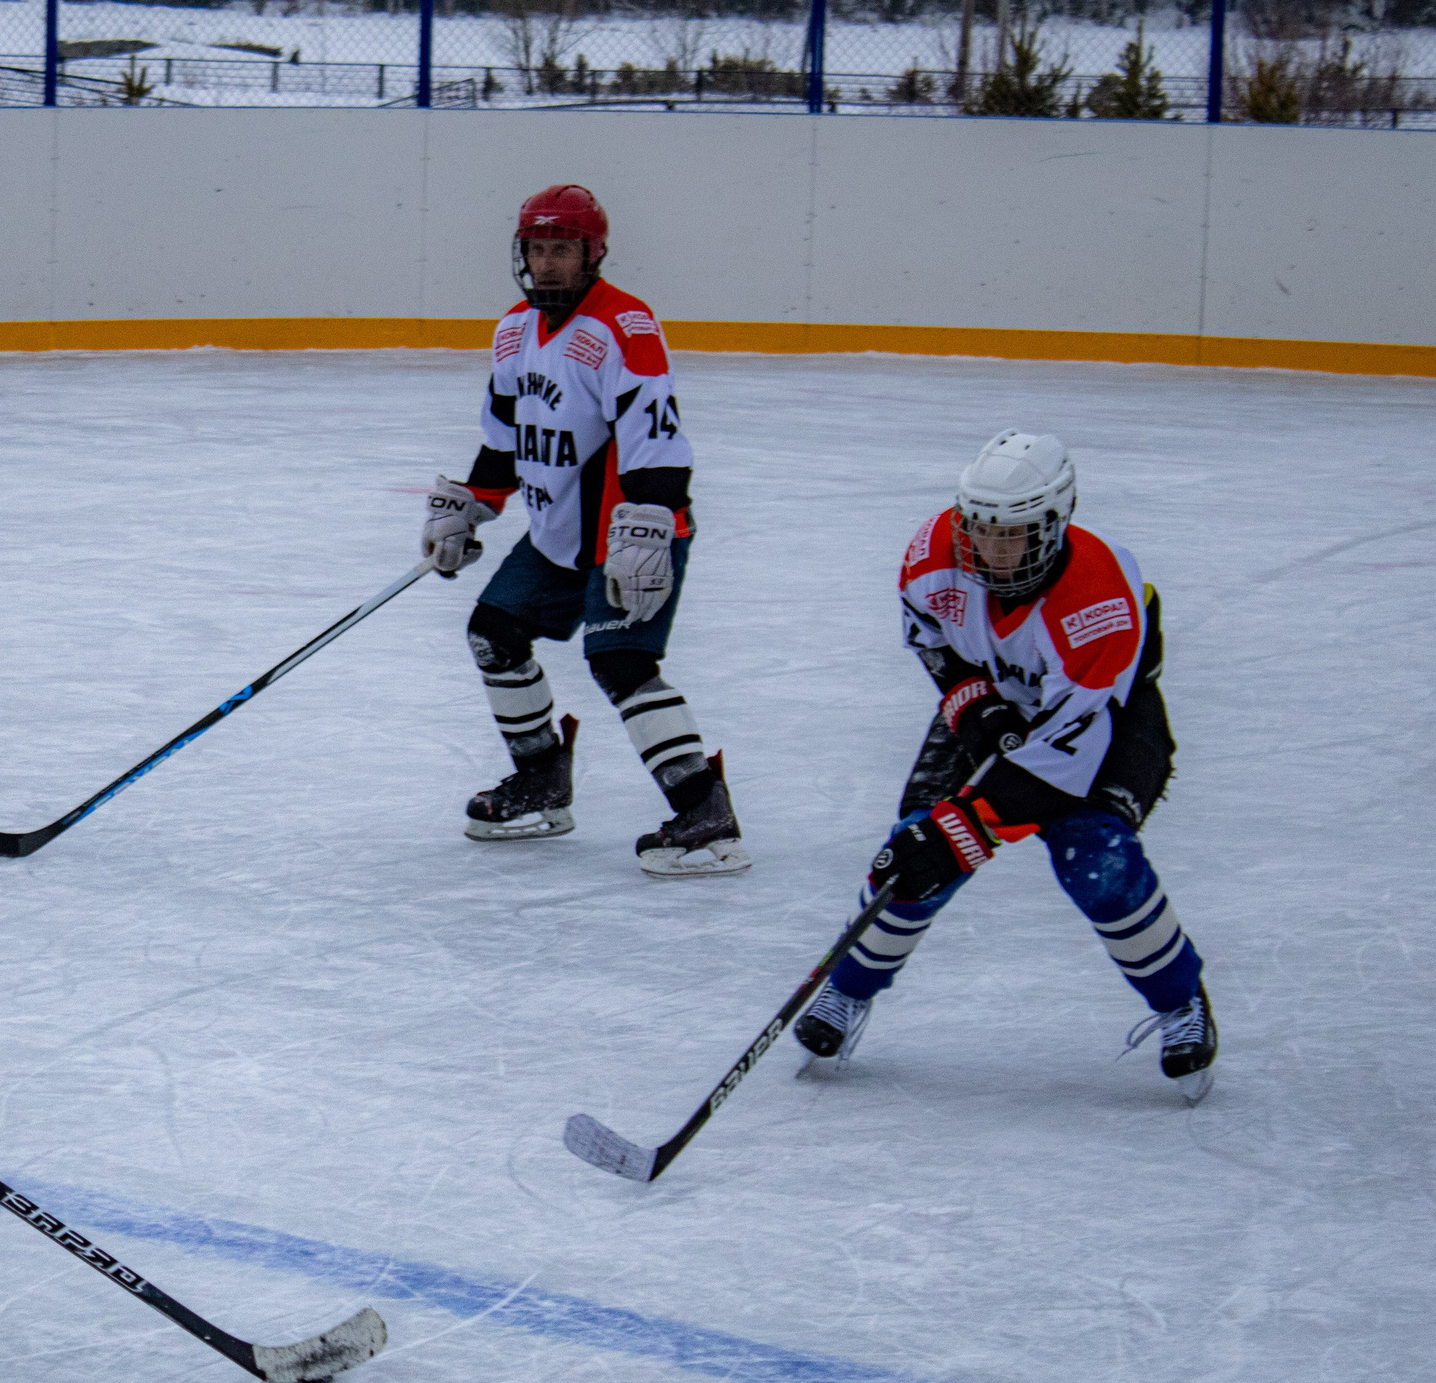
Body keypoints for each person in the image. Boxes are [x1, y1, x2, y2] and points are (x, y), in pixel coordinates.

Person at [795, 430, 1218, 1102]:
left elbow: (1059, 764)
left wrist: (962, 829)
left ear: (1052, 527)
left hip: (1105, 718)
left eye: (1010, 534)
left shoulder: (1098, 602)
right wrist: (976, 710)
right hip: (1003, 696)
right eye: (979, 531)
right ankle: (846, 995)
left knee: (1095, 859)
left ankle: (1179, 1003)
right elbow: (933, 643)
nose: (988, 551)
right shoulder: (933, 553)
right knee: (911, 850)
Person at [419, 183, 745, 876]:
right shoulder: (513, 331)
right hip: (557, 533)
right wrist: (470, 502)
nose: (548, 264)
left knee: (621, 662)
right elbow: (505, 440)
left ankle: (705, 813)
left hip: (632, 533)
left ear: (592, 252)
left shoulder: (622, 327)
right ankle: (542, 780)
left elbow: (658, 439)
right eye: (537, 249)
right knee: (494, 633)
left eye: (562, 249)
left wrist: (652, 523)